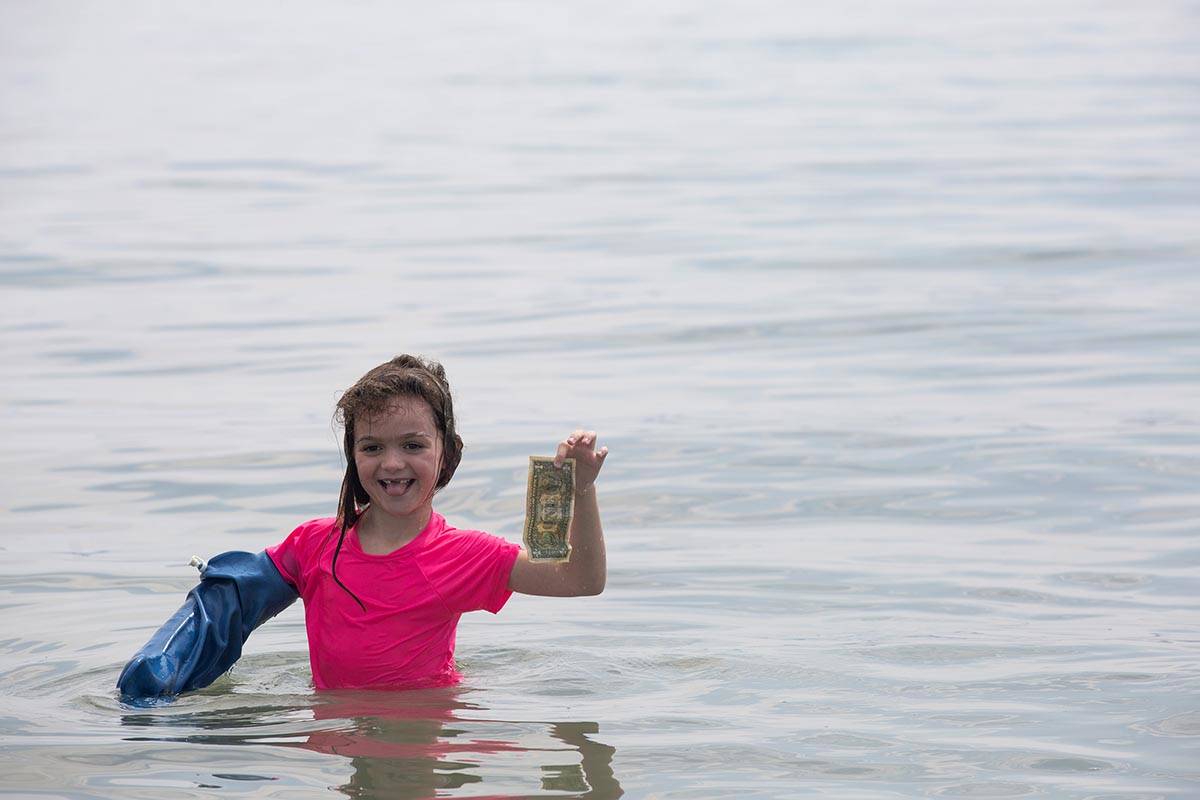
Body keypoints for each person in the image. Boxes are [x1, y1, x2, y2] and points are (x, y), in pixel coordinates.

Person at [117, 354, 608, 701]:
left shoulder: (465, 555)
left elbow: (580, 581)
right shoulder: (314, 545)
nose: (392, 463)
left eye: (413, 445)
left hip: (425, 732)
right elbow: (231, 597)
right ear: (352, 455)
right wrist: (157, 675)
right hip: (339, 739)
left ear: (448, 452)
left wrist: (577, 490)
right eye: (372, 447)